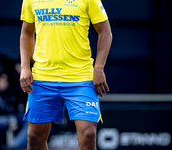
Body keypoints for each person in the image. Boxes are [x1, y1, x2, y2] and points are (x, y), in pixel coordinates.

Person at [19, 0, 112, 149]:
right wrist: (24, 67)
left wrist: (99, 68)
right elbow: (26, 34)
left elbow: (105, 32)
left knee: (88, 134)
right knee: (35, 137)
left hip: (80, 77)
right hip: (43, 77)